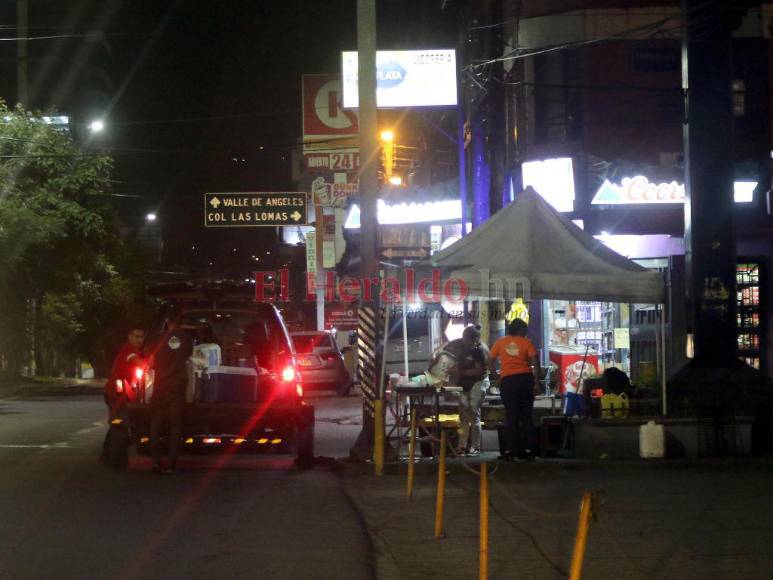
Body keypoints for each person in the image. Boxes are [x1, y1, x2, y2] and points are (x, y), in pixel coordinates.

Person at [147, 308, 193, 474]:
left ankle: (155, 463)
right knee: (175, 427)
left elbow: (151, 362)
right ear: (181, 323)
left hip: (160, 387)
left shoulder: (158, 339)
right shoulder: (187, 340)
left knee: (156, 426)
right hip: (177, 388)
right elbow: (189, 358)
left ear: (168, 322)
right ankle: (172, 465)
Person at [488, 319, 541, 460]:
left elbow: (489, 361)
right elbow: (535, 361)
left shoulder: (500, 343)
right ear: (521, 330)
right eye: (525, 330)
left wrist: (497, 378)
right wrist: (536, 382)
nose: (526, 332)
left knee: (511, 416)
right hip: (525, 380)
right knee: (527, 416)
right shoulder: (527, 342)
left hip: (508, 381)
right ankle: (529, 450)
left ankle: (511, 451)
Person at [437, 325, 489, 456]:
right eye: (464, 338)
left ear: (475, 340)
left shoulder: (479, 349)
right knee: (463, 415)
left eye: (467, 339)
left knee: (473, 411)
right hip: (463, 383)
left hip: (478, 382)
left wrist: (458, 371)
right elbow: (442, 352)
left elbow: (479, 370)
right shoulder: (458, 345)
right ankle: (462, 446)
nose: (465, 341)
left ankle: (475, 447)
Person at [101, 325, 146, 462]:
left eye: (141, 337)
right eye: (136, 336)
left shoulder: (135, 351)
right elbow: (138, 363)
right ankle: (113, 456)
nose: (139, 340)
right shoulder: (129, 350)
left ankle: (108, 455)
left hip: (120, 394)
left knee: (117, 424)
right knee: (119, 422)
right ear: (129, 337)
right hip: (115, 394)